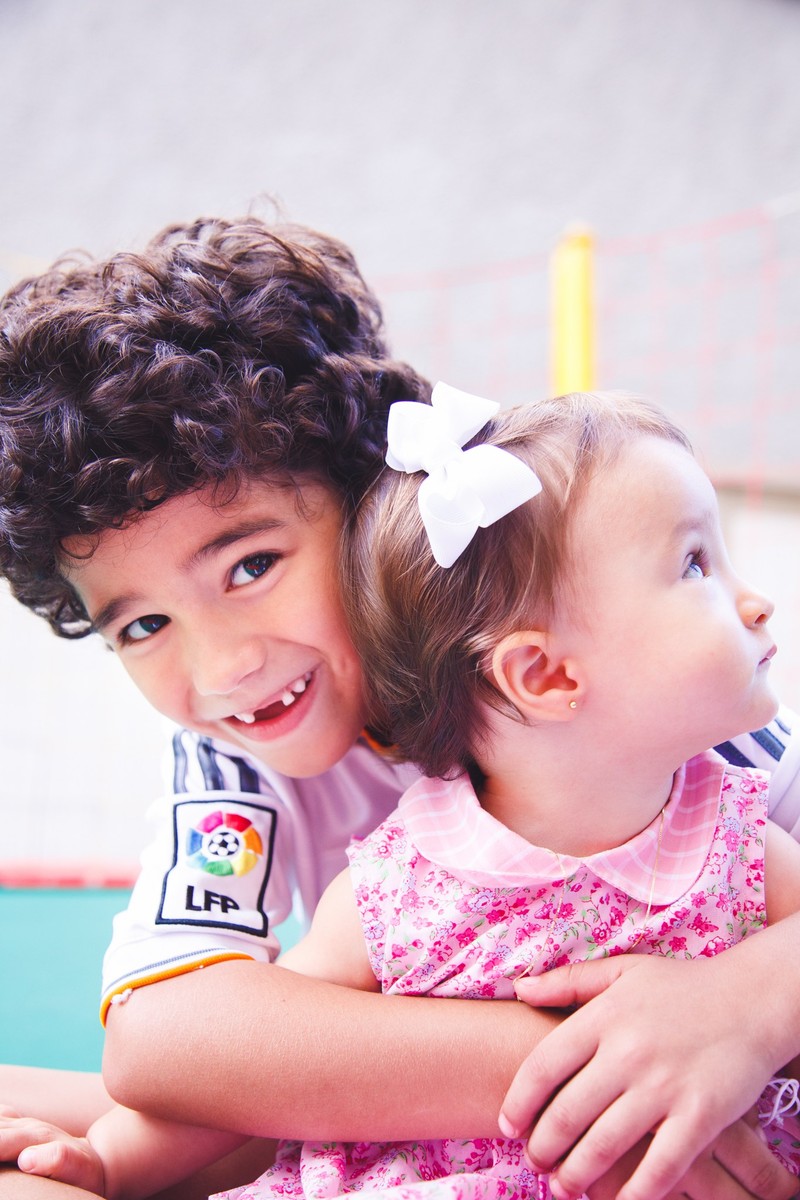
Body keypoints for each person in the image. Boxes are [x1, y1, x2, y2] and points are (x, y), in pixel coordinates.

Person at [0, 223, 798, 1200]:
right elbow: (164, 1036)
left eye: (252, 566)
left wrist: (742, 1009)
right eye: (145, 625)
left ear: (376, 500)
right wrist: (609, 1070)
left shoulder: (637, 694)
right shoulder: (231, 759)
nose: (221, 667)